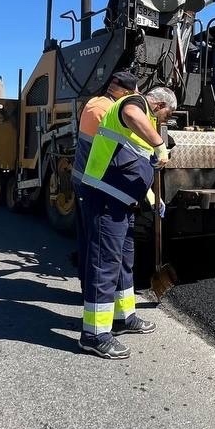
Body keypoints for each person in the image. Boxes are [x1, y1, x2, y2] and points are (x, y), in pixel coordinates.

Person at [77, 86, 177, 359]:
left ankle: (124, 317)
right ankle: (94, 335)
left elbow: (135, 164)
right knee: (105, 262)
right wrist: (159, 145)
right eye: (165, 116)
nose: (161, 123)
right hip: (104, 198)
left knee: (124, 261)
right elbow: (133, 114)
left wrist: (153, 198)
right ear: (157, 105)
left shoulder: (138, 126)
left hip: (122, 202)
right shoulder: (134, 104)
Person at [71, 70, 139, 275]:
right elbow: (130, 145)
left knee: (87, 236)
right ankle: (90, 291)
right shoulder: (109, 111)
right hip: (94, 182)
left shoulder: (95, 102)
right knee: (96, 241)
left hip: (84, 176)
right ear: (125, 93)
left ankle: (86, 282)